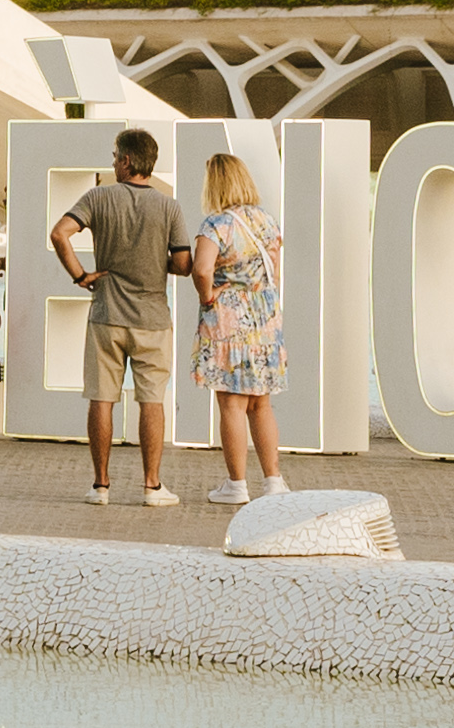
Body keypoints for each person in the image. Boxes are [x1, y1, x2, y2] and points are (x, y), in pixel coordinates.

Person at [47, 130, 188, 507]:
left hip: (106, 313)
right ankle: (152, 486)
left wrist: (81, 276)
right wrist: (157, 258)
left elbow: (60, 233)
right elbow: (184, 263)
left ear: (127, 161)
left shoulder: (97, 197)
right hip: (153, 318)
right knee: (152, 401)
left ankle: (101, 486)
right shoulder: (169, 207)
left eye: (114, 156)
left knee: (101, 399)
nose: (112, 163)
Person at [188, 152, 282, 503]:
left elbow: (201, 269)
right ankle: (274, 481)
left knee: (232, 404)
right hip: (265, 317)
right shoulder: (266, 221)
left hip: (229, 319)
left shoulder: (216, 224)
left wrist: (208, 296)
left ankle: (237, 484)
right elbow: (273, 269)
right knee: (261, 404)